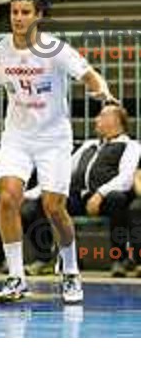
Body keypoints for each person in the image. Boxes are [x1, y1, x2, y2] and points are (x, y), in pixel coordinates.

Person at [0, 0, 115, 304]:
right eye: (14, 12)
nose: (18, 17)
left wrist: (103, 92)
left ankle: (70, 271)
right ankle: (16, 278)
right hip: (17, 136)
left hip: (54, 138)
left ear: (38, 16)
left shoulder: (54, 49)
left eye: (25, 12)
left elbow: (88, 74)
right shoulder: (0, 51)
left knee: (53, 207)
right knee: (8, 199)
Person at [24, 104, 139, 277]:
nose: (96, 120)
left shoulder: (131, 146)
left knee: (117, 199)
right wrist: (31, 193)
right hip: (81, 197)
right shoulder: (89, 145)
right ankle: (46, 258)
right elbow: (63, 172)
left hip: (107, 198)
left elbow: (126, 178)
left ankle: (120, 259)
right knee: (44, 203)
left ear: (115, 121)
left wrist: (101, 194)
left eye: (101, 116)